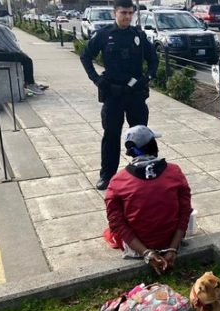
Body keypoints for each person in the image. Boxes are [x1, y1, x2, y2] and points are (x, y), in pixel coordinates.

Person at [80, 0, 159, 191]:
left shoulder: (138, 35)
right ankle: (107, 175)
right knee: (111, 136)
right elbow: (85, 56)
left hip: (135, 94)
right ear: (115, 13)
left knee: (140, 135)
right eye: (124, 13)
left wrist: (147, 78)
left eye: (131, 13)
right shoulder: (105, 34)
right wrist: (96, 79)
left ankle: (142, 170)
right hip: (113, 94)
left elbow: (154, 60)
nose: (128, 17)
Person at [104, 125, 193, 275]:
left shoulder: (118, 181)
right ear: (153, 145)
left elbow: (115, 222)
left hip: (138, 249)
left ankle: (145, 251)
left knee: (111, 230)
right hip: (170, 243)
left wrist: (147, 253)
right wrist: (172, 248)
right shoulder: (174, 171)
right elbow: (185, 212)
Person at [0, 9, 46, 95]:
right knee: (27, 60)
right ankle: (30, 84)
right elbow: (11, 45)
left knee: (23, 58)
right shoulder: (1, 28)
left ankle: (28, 82)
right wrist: (21, 53)